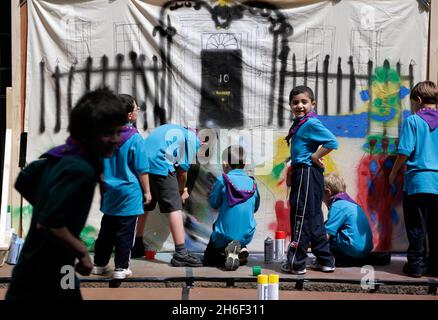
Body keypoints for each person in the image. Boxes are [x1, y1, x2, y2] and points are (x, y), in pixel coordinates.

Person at [6, 88, 126, 300]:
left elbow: (25, 180)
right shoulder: (80, 169)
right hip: (42, 272)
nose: (116, 139)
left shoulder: (62, 155)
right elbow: (49, 223)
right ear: (88, 133)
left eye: (118, 132)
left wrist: (54, 214)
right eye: (108, 133)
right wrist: (82, 251)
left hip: (55, 266)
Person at [91, 94, 151, 280]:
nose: (137, 111)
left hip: (109, 190)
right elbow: (142, 169)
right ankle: (121, 267)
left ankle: (99, 265)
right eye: (136, 108)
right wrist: (147, 192)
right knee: (125, 231)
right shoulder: (135, 139)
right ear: (130, 115)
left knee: (107, 229)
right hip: (129, 192)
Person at [281, 85, 338, 275]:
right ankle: (325, 260)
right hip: (306, 173)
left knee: (300, 215)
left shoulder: (310, 123)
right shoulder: (301, 124)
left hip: (306, 172)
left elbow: (332, 141)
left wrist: (315, 157)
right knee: (314, 218)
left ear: (312, 104)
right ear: (290, 105)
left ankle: (296, 262)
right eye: (295, 102)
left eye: (304, 102)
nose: (300, 106)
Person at [132, 124, 203, 267]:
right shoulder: (192, 139)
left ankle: (137, 245)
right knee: (175, 208)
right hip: (160, 165)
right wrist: (181, 191)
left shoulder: (173, 129)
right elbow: (183, 172)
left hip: (144, 165)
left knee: (146, 204)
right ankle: (181, 253)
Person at [389, 80, 438, 278]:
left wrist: (393, 173)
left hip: (418, 183)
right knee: (435, 228)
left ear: (418, 100)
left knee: (417, 227)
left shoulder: (413, 121)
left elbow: (404, 152)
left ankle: (416, 266)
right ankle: (435, 267)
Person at [203, 145, 260, 270]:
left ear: (225, 164)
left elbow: (214, 204)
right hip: (246, 234)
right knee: (238, 232)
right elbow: (255, 208)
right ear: (244, 164)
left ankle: (228, 253)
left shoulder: (223, 180)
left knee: (208, 259)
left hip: (224, 234)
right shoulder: (252, 183)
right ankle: (240, 249)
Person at [323, 173, 374, 266]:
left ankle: (331, 261)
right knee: (328, 224)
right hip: (364, 251)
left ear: (327, 192)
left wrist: (307, 245)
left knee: (324, 232)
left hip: (352, 251)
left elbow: (326, 235)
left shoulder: (337, 205)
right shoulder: (349, 202)